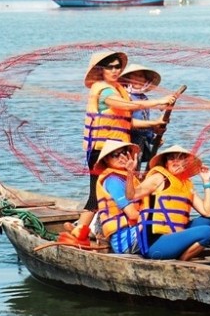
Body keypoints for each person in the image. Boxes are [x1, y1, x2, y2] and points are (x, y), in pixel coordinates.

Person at [68, 51, 177, 244]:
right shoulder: (104, 91)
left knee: (124, 188)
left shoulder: (118, 89)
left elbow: (128, 122)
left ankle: (91, 229)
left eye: (118, 66)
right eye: (110, 67)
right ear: (101, 70)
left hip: (119, 148)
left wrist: (153, 124)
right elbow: (126, 106)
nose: (115, 70)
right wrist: (159, 101)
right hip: (102, 149)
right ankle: (79, 232)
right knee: (96, 191)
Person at [134, 144, 210, 261]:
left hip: (173, 235)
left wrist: (206, 182)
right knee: (207, 232)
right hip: (155, 243)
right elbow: (133, 195)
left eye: (181, 158)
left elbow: (207, 212)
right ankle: (183, 259)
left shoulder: (186, 184)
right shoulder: (159, 178)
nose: (176, 161)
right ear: (166, 163)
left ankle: (178, 251)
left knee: (207, 222)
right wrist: (131, 172)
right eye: (172, 158)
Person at [93, 140, 145, 254]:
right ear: (106, 159)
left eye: (124, 152)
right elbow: (132, 214)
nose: (121, 157)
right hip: (126, 241)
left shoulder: (128, 178)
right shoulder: (113, 181)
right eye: (115, 155)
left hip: (135, 231)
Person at [119, 63, 165, 170]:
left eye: (141, 77)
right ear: (127, 80)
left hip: (141, 142)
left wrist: (154, 136)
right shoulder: (126, 97)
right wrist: (154, 124)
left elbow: (144, 122)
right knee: (129, 170)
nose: (138, 79)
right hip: (130, 140)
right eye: (134, 76)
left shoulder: (144, 99)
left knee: (136, 170)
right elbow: (129, 123)